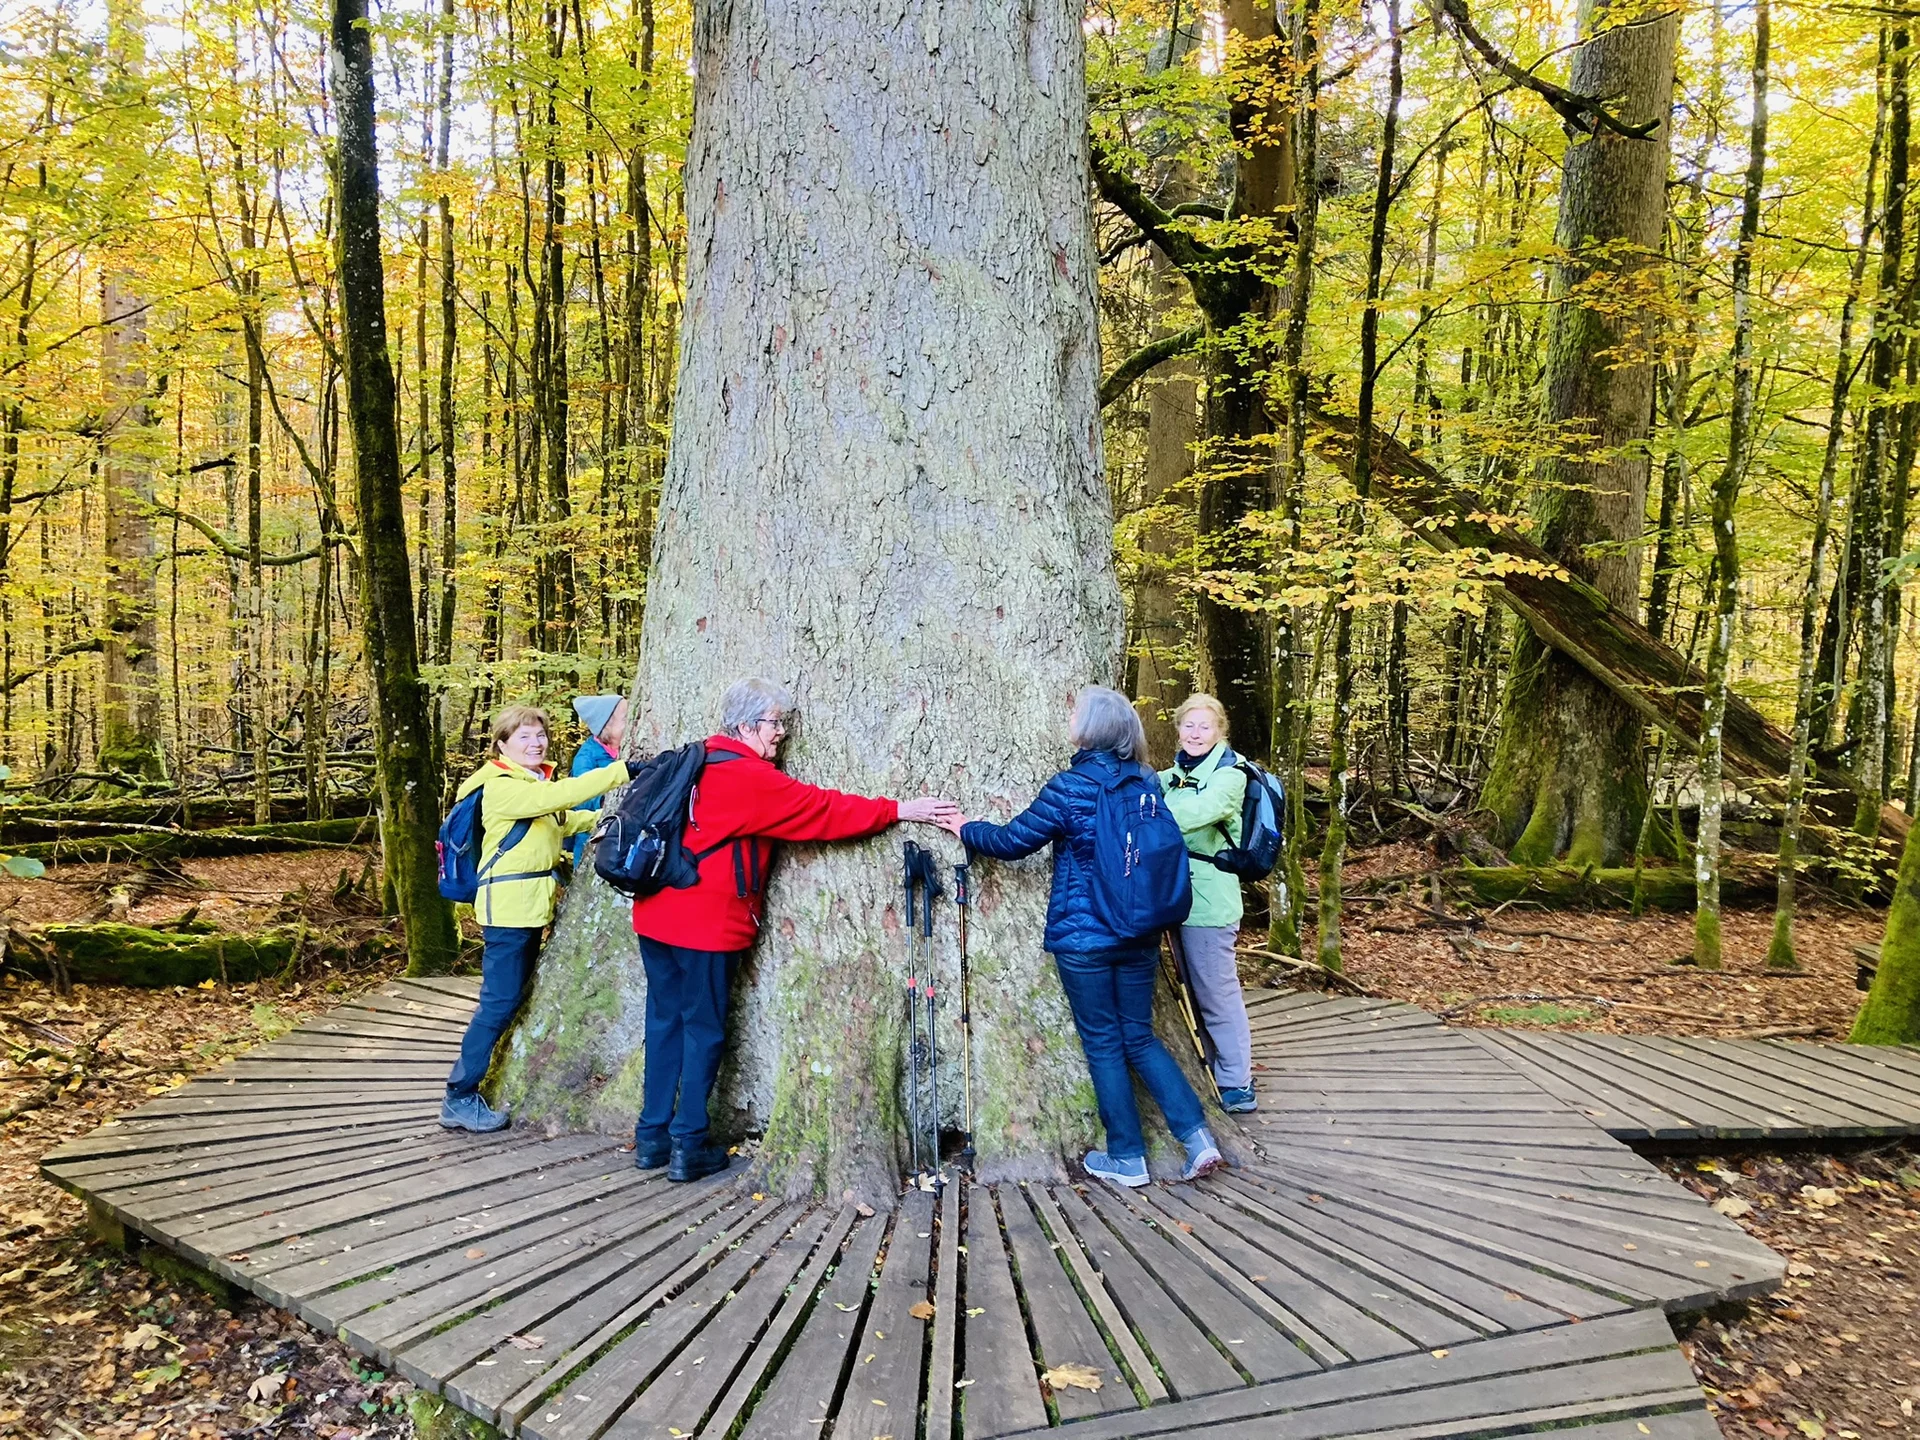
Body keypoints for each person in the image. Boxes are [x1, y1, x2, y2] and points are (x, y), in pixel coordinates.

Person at [631, 677, 958, 1182]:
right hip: (705, 924)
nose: (780, 733)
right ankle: (688, 1143)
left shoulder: (693, 758)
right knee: (702, 1029)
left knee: (664, 1021)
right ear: (744, 726)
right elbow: (824, 811)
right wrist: (900, 810)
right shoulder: (747, 777)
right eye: (773, 723)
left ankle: (651, 1137)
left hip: (656, 915)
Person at [937, 685, 1223, 1188]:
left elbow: (1011, 842)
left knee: (1104, 1044)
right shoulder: (1146, 782)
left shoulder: (1071, 786)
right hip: (1139, 932)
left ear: (1091, 730)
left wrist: (965, 827)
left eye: (1077, 713)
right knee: (1140, 1036)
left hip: (1085, 939)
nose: (1071, 717)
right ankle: (1199, 1140)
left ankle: (1128, 1158)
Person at [442, 704, 630, 1133]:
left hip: (528, 907)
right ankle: (458, 1095)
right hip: (508, 911)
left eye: (540, 735)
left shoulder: (529, 783)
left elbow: (565, 818)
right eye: (523, 736)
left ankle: (467, 1090)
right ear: (503, 744)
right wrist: (622, 771)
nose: (535, 742)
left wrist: (613, 816)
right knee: (498, 1004)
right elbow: (558, 798)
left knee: (513, 998)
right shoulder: (501, 787)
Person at [1161, 693, 1256, 1114]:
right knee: (1190, 993)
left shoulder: (1231, 775)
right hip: (1170, 896)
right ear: (1178, 729)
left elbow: (1200, 812)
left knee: (1216, 993)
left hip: (1209, 901)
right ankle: (1213, 1069)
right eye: (1188, 726)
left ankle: (1238, 1082)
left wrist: (1149, 812)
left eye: (1205, 727)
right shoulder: (1169, 776)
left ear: (1220, 731)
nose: (1195, 734)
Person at [568, 693, 629, 867]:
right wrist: (604, 800)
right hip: (593, 843)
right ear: (606, 727)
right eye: (625, 719)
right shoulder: (586, 757)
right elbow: (581, 795)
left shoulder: (624, 749)